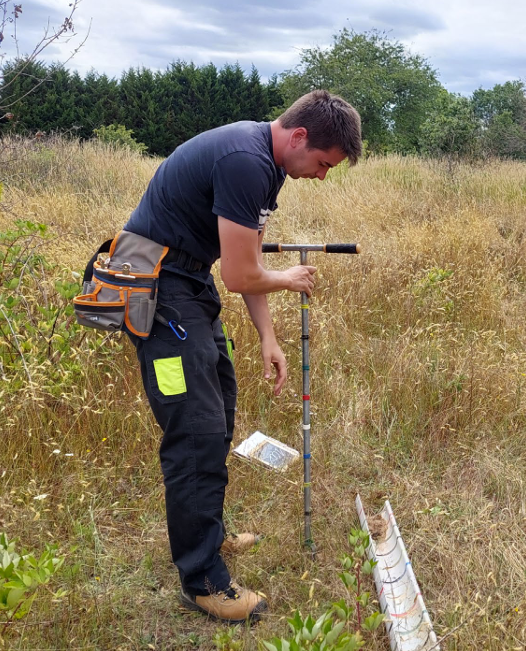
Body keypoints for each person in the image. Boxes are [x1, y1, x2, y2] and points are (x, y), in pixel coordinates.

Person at [122, 90, 362, 623]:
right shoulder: (246, 160)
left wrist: (268, 338)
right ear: (299, 137)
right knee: (196, 432)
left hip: (187, 283)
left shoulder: (268, 164)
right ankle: (203, 579)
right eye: (323, 164)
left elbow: (244, 260)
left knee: (220, 405)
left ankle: (209, 533)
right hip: (157, 290)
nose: (322, 176)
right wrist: (291, 279)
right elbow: (242, 276)